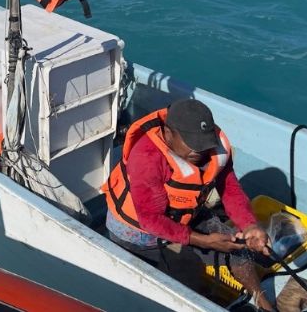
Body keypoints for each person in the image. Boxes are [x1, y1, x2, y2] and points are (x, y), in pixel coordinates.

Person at [104, 99, 275, 310]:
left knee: (239, 249)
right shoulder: (147, 157)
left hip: (183, 213)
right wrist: (204, 241)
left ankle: (264, 303)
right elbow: (150, 219)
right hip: (136, 231)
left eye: (204, 141)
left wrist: (249, 225)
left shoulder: (215, 147)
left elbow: (229, 188)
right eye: (191, 141)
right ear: (168, 133)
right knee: (166, 285)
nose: (200, 149)